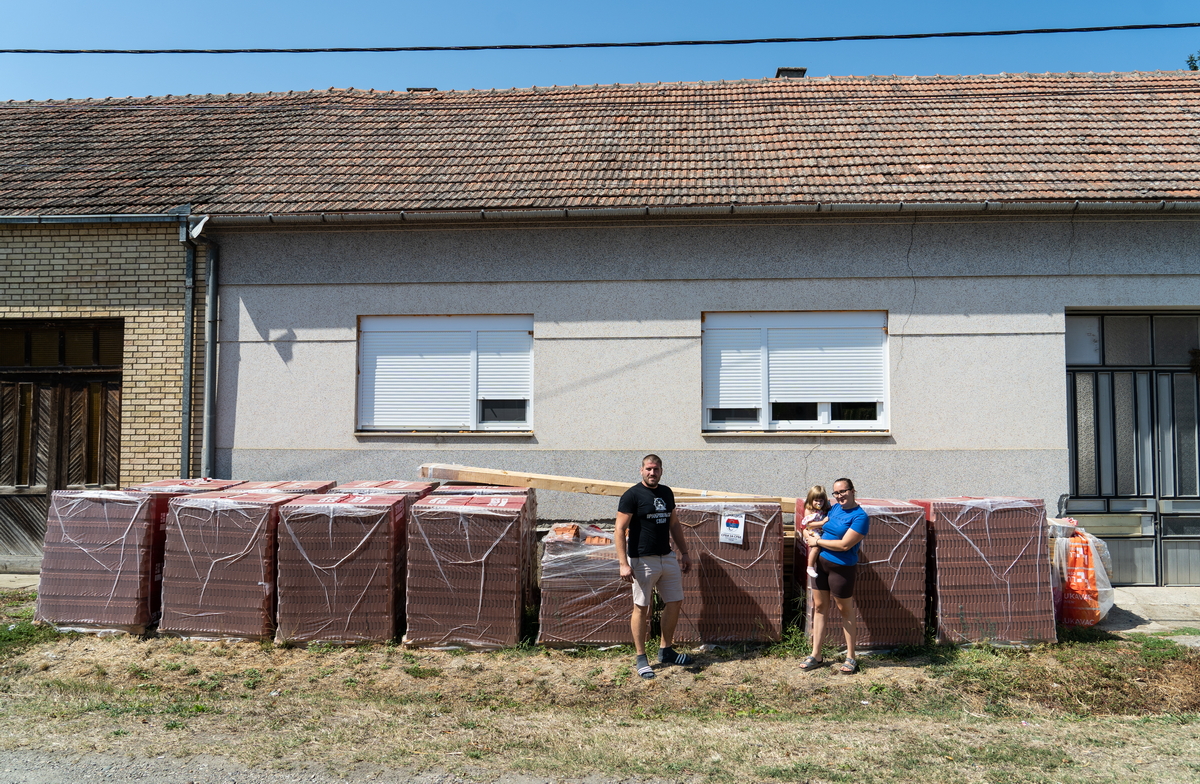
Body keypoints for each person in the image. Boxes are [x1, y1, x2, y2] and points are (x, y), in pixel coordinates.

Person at [614, 454, 693, 680]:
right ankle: (641, 658)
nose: (652, 473)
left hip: (666, 556)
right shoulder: (632, 495)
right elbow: (619, 529)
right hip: (642, 559)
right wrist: (623, 563)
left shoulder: (666, 493)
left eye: (656, 469)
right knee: (642, 607)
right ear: (641, 470)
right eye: (648, 469)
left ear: (661, 471)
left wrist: (685, 553)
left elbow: (674, 524)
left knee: (675, 601)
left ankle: (666, 651)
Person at [800, 477, 869, 674]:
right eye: (836, 493)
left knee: (844, 609)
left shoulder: (860, 517)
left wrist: (817, 542)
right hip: (820, 565)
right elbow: (812, 526)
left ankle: (851, 657)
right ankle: (816, 655)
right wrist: (807, 534)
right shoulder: (835, 509)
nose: (839, 496)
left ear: (853, 491)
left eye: (843, 491)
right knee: (820, 607)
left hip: (842, 568)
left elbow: (845, 545)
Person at [799, 485, 831, 580]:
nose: (819, 503)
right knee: (816, 547)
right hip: (813, 531)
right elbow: (809, 525)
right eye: (816, 500)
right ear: (810, 500)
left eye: (821, 500)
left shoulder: (823, 509)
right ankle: (810, 567)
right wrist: (822, 522)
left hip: (821, 530)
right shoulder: (809, 510)